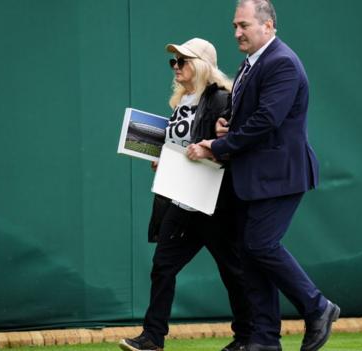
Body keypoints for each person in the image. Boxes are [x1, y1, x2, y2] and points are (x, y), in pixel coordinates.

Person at [187, 1, 340, 351]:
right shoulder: (249, 65)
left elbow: (267, 121)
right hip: (255, 176)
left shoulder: (282, 62)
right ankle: (265, 340)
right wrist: (225, 124)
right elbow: (249, 116)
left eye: (244, 25)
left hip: (281, 175)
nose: (238, 32)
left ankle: (317, 307)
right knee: (248, 252)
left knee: (259, 245)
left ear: (268, 26)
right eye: (235, 26)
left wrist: (218, 147)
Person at [119, 38, 251, 351]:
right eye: (174, 62)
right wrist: (162, 160)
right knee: (163, 266)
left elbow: (234, 148)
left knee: (233, 272)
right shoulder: (181, 102)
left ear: (202, 65)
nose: (176, 67)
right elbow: (179, 147)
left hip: (213, 203)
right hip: (181, 201)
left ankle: (247, 338)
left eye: (183, 61)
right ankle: (152, 337)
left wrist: (210, 153)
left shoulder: (222, 100)